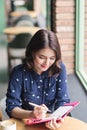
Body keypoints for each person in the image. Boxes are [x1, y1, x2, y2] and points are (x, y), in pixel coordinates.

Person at [6, 29, 70, 129]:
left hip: (50, 122)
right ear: (32, 53)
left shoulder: (59, 68)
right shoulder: (18, 73)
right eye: (42, 57)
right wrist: (32, 114)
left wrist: (59, 119)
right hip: (25, 122)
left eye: (52, 58)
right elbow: (11, 108)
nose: (47, 63)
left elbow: (63, 101)